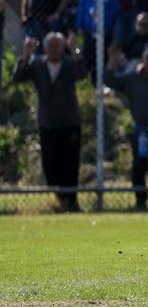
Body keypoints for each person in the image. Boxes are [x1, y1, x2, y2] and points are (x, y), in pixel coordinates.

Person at [13, 32, 85, 212]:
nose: (54, 49)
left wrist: (74, 47)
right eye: (51, 45)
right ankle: (61, 198)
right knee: (50, 165)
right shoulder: (38, 64)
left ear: (62, 47)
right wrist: (26, 53)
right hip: (48, 122)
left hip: (69, 122)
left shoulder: (69, 64)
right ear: (45, 48)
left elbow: (82, 70)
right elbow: (18, 76)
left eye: (58, 45)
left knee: (70, 163)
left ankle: (72, 200)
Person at [106, 45, 148, 211]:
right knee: (138, 167)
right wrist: (112, 62)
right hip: (141, 131)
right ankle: (140, 201)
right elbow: (109, 80)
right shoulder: (132, 78)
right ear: (143, 59)